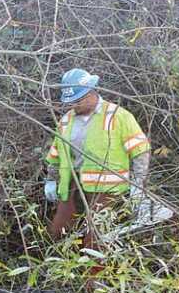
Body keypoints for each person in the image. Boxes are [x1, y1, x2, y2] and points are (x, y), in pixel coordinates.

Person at [44, 68, 151, 252]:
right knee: (57, 231)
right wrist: (51, 180)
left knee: (95, 239)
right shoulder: (66, 120)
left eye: (77, 101)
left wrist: (138, 184)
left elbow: (140, 151)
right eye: (70, 102)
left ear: (91, 93)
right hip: (73, 185)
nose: (74, 106)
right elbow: (56, 155)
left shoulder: (118, 116)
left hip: (107, 189)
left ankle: (94, 279)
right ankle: (63, 271)